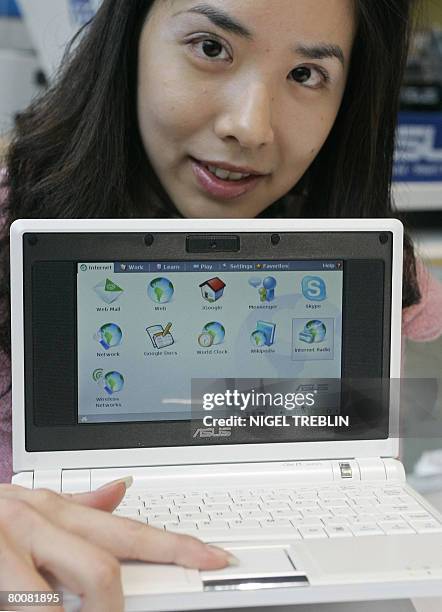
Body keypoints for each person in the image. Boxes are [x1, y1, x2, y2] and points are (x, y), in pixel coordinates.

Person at [1, 0, 442, 607]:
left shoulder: (362, 247)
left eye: (306, 74)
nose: (250, 126)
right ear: (128, 40)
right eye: (211, 48)